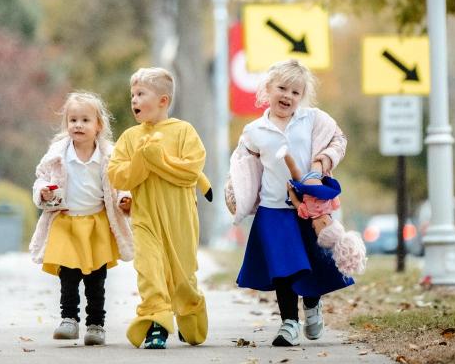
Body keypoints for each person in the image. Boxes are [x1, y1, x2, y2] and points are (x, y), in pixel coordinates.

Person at [226, 59, 357, 347]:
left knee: (311, 264)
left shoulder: (313, 119)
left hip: (309, 206)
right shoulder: (254, 130)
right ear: (268, 89)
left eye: (295, 92)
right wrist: (236, 190)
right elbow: (243, 164)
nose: (288, 96)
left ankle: (312, 304)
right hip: (274, 210)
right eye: (282, 88)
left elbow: (338, 139)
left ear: (302, 97)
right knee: (284, 268)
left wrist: (324, 161)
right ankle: (288, 323)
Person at [107, 68, 208, 349]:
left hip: (180, 218)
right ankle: (157, 324)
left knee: (182, 277)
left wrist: (158, 159)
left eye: (141, 94)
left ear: (163, 101)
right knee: (149, 272)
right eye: (132, 95)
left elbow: (190, 172)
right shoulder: (129, 138)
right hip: (145, 217)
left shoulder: (184, 132)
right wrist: (142, 159)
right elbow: (118, 175)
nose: (134, 100)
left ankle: (190, 314)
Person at [28, 91, 133, 346]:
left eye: (85, 120)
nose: (78, 125)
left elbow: (121, 182)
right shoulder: (57, 155)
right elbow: (41, 178)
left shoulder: (109, 155)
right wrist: (42, 191)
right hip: (65, 222)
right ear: (66, 124)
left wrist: (125, 199)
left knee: (96, 279)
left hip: (96, 223)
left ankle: (96, 324)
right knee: (69, 276)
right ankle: (69, 320)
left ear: (99, 125)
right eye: (73, 120)